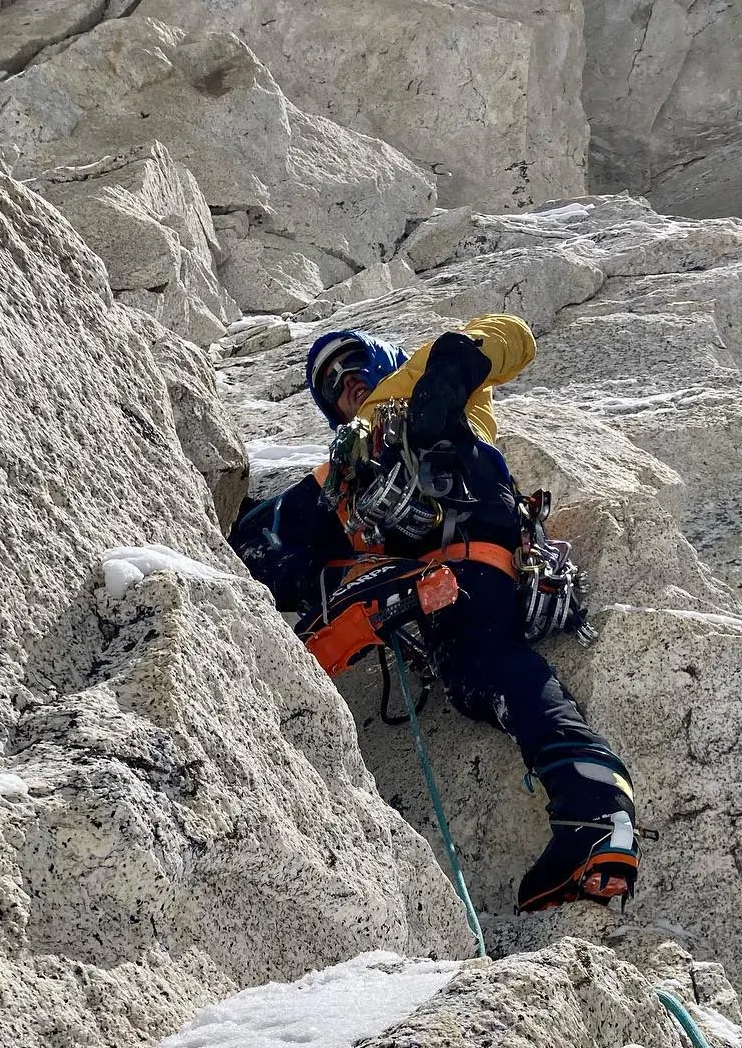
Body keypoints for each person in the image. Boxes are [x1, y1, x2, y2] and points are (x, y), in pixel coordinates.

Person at [230, 314, 638, 913]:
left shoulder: (427, 379)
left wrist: (451, 367)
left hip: (470, 516)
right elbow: (257, 545)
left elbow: (513, 335)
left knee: (487, 655)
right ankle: (594, 812)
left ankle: (595, 808)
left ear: (382, 357)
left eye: (352, 365)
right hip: (439, 573)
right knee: (479, 675)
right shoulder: (342, 467)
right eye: (333, 387)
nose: (346, 382)